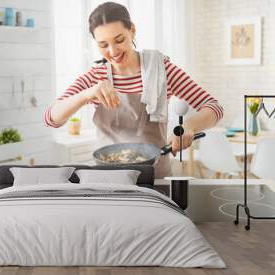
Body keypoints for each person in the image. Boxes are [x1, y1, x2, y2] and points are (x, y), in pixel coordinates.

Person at [44, 2, 223, 178]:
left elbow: (214, 107)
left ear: (132, 30)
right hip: (109, 179)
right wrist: (87, 93)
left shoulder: (162, 70)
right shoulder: (95, 77)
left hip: (155, 177)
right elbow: (51, 118)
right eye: (103, 45)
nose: (113, 51)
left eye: (119, 40)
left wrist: (189, 126)